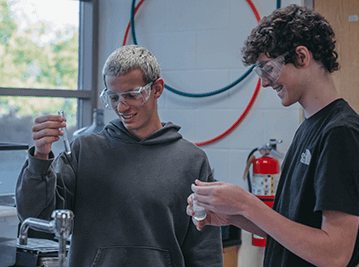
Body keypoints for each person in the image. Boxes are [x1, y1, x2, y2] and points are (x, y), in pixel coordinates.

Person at [187, 4, 359, 267]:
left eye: (268, 68)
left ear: (301, 56)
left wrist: (246, 204)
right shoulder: (310, 127)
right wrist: (231, 215)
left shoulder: (341, 133)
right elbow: (288, 229)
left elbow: (334, 254)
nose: (265, 82)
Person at [16, 45, 223, 267]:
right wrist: (40, 156)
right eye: (113, 97)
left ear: (157, 89)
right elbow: (36, 214)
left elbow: (204, 249)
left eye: (132, 95)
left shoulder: (191, 161)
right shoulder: (83, 152)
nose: (122, 107)